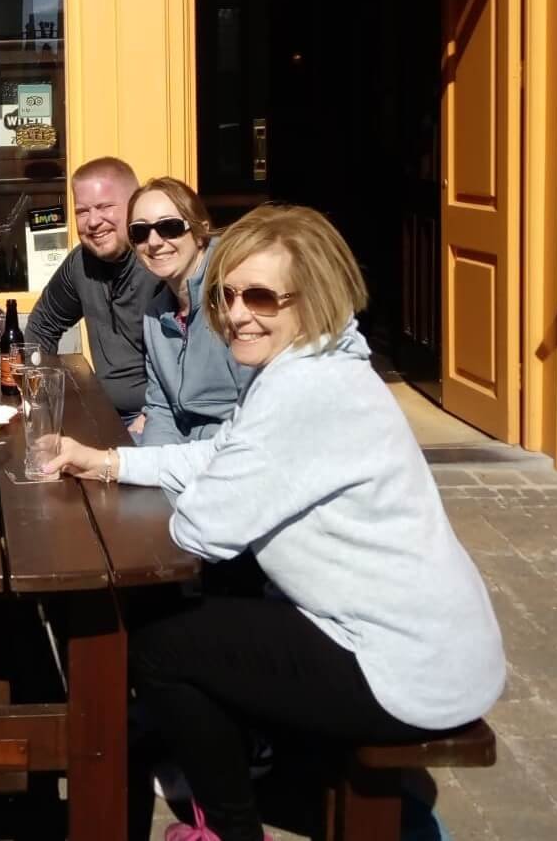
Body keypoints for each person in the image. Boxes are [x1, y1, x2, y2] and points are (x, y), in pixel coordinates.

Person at [46, 204, 505, 841]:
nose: (236, 313)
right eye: (228, 294)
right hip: (428, 645)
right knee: (221, 628)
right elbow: (221, 453)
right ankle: (369, 812)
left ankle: (237, 830)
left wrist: (212, 487)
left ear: (311, 298)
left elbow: (202, 531)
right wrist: (109, 462)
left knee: (161, 650)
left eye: (260, 296)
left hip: (403, 666)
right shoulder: (315, 364)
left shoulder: (303, 390)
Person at [24, 157, 161, 422]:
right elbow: (42, 324)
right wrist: (38, 392)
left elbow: (192, 364)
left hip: (155, 419)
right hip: (104, 410)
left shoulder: (158, 262)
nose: (93, 221)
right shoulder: (81, 263)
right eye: (82, 211)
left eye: (105, 207)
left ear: (134, 206)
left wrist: (155, 415)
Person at [128, 176, 253, 445]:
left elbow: (255, 411)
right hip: (182, 454)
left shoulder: (235, 297)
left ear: (199, 233)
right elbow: (161, 410)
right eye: (140, 231)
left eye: (169, 227)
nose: (154, 242)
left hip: (233, 453)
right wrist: (154, 471)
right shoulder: (154, 316)